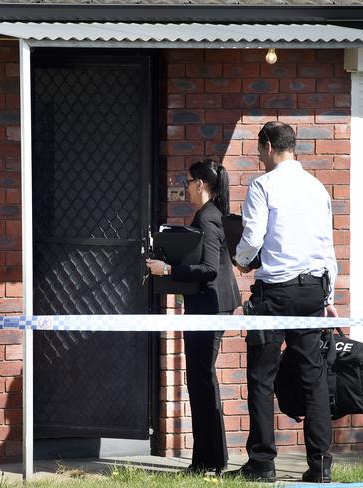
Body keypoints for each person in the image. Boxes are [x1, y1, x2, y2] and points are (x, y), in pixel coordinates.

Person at [230, 121, 338, 484]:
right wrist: (329, 296)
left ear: (268, 146)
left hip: (274, 293)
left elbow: (252, 237)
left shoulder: (263, 185)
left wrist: (241, 259)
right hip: (312, 291)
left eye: (259, 150)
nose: (259, 158)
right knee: (313, 377)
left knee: (261, 376)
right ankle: (320, 466)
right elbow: (327, 247)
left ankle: (262, 464)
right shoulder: (317, 187)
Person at [146, 158, 241, 475]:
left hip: (209, 308)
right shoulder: (209, 215)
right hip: (208, 306)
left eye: (188, 181)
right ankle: (210, 458)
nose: (186, 186)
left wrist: (168, 269)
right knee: (200, 379)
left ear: (201, 184)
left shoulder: (208, 218)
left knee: (200, 380)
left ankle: (207, 460)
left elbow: (210, 268)